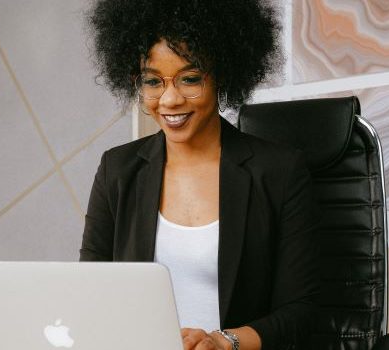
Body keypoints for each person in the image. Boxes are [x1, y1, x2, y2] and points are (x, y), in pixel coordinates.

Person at [79, 1, 320, 349]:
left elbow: (301, 312)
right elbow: (90, 289)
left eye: (190, 79)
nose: (170, 99)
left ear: (223, 73)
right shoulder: (118, 170)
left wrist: (225, 343)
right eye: (152, 82)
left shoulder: (280, 172)